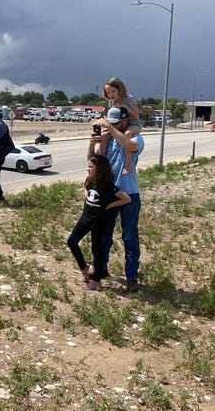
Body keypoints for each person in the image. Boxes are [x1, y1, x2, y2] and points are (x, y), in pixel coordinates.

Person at [90, 106, 144, 292]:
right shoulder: (108, 140)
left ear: (125, 121)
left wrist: (110, 128)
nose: (111, 127)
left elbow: (130, 146)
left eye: (115, 124)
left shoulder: (135, 137)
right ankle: (100, 268)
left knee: (129, 237)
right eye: (109, 123)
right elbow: (94, 160)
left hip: (130, 194)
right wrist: (95, 141)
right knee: (103, 235)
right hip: (109, 194)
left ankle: (132, 277)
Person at [67, 155, 130, 290]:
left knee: (97, 250)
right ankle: (85, 269)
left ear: (99, 168)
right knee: (71, 241)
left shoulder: (108, 186)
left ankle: (96, 281)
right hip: (85, 219)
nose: (88, 169)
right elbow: (85, 186)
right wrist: (87, 196)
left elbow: (126, 199)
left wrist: (109, 206)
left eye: (90, 167)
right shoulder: (90, 180)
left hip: (98, 222)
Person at [101, 77, 141, 174]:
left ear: (120, 89)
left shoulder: (129, 98)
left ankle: (127, 163)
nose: (111, 95)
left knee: (127, 134)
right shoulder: (111, 102)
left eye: (113, 91)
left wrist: (125, 107)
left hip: (133, 124)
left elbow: (136, 116)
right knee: (103, 135)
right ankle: (101, 162)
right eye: (108, 93)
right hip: (118, 125)